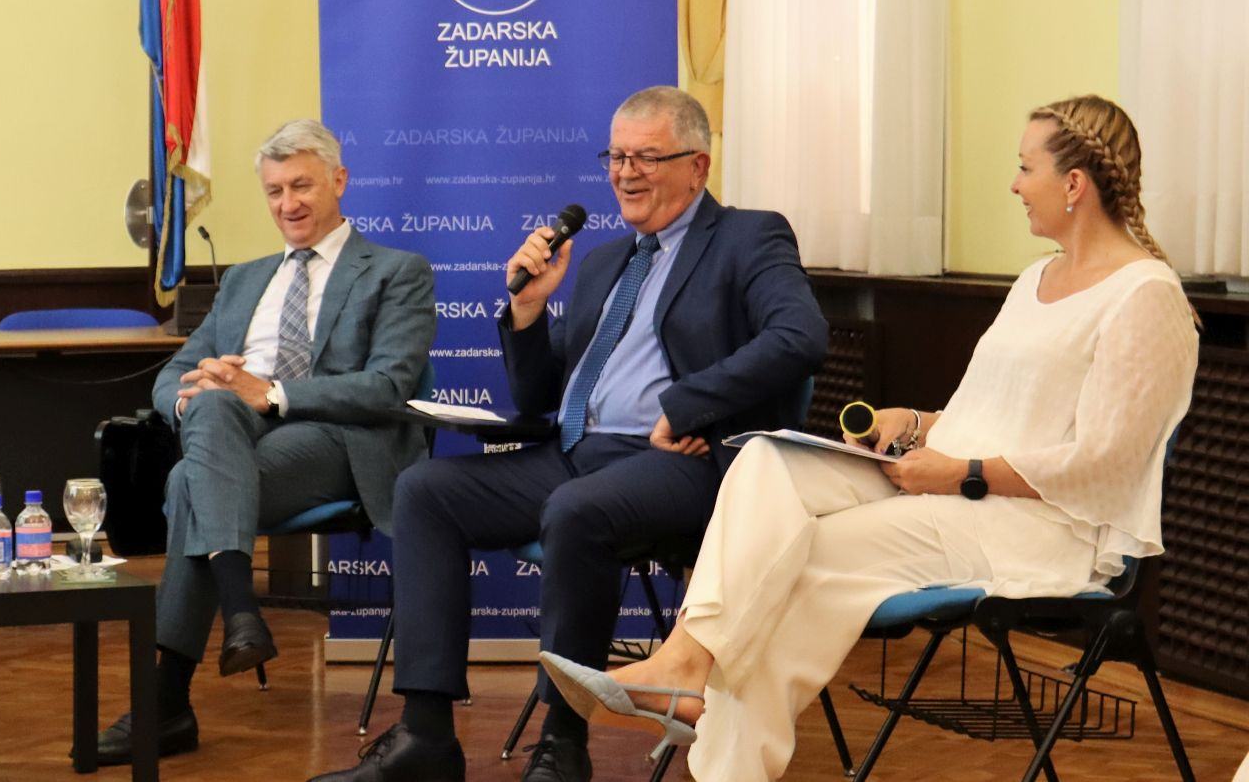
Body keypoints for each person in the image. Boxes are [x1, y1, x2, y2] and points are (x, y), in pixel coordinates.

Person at [540, 94, 1200, 782]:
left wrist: (963, 472)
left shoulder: (1145, 297)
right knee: (766, 456)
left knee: (800, 556)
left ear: (1074, 184)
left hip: (1040, 528)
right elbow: (989, 411)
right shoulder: (1037, 277)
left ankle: (710, 729)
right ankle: (685, 662)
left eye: (1024, 167)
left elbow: (1106, 466)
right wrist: (912, 423)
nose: (1013, 183)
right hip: (956, 487)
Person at [311, 86, 828, 782]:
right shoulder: (603, 262)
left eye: (647, 157)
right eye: (616, 157)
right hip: (577, 452)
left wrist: (686, 405)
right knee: (426, 490)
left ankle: (563, 739)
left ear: (698, 166)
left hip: (681, 461)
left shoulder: (748, 236)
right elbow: (539, 397)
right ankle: (425, 737)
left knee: (576, 510)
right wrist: (528, 311)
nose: (625, 173)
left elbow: (800, 337)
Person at [93, 119, 436, 765]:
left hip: (338, 440)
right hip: (233, 438)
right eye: (274, 191)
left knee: (187, 479)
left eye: (302, 185)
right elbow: (174, 372)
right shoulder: (245, 279)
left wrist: (271, 392)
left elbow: (389, 386)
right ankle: (238, 615)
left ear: (339, 179)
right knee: (209, 410)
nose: (288, 204)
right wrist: (188, 396)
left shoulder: (396, 271)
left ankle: (171, 693)